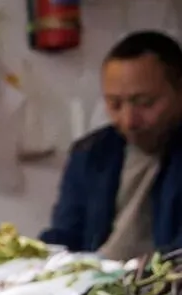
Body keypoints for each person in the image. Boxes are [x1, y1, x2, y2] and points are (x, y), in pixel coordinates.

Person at [43, 31, 182, 258]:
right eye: (115, 104)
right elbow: (67, 235)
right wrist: (36, 256)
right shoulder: (90, 153)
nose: (129, 121)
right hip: (96, 283)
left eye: (145, 103)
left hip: (161, 287)